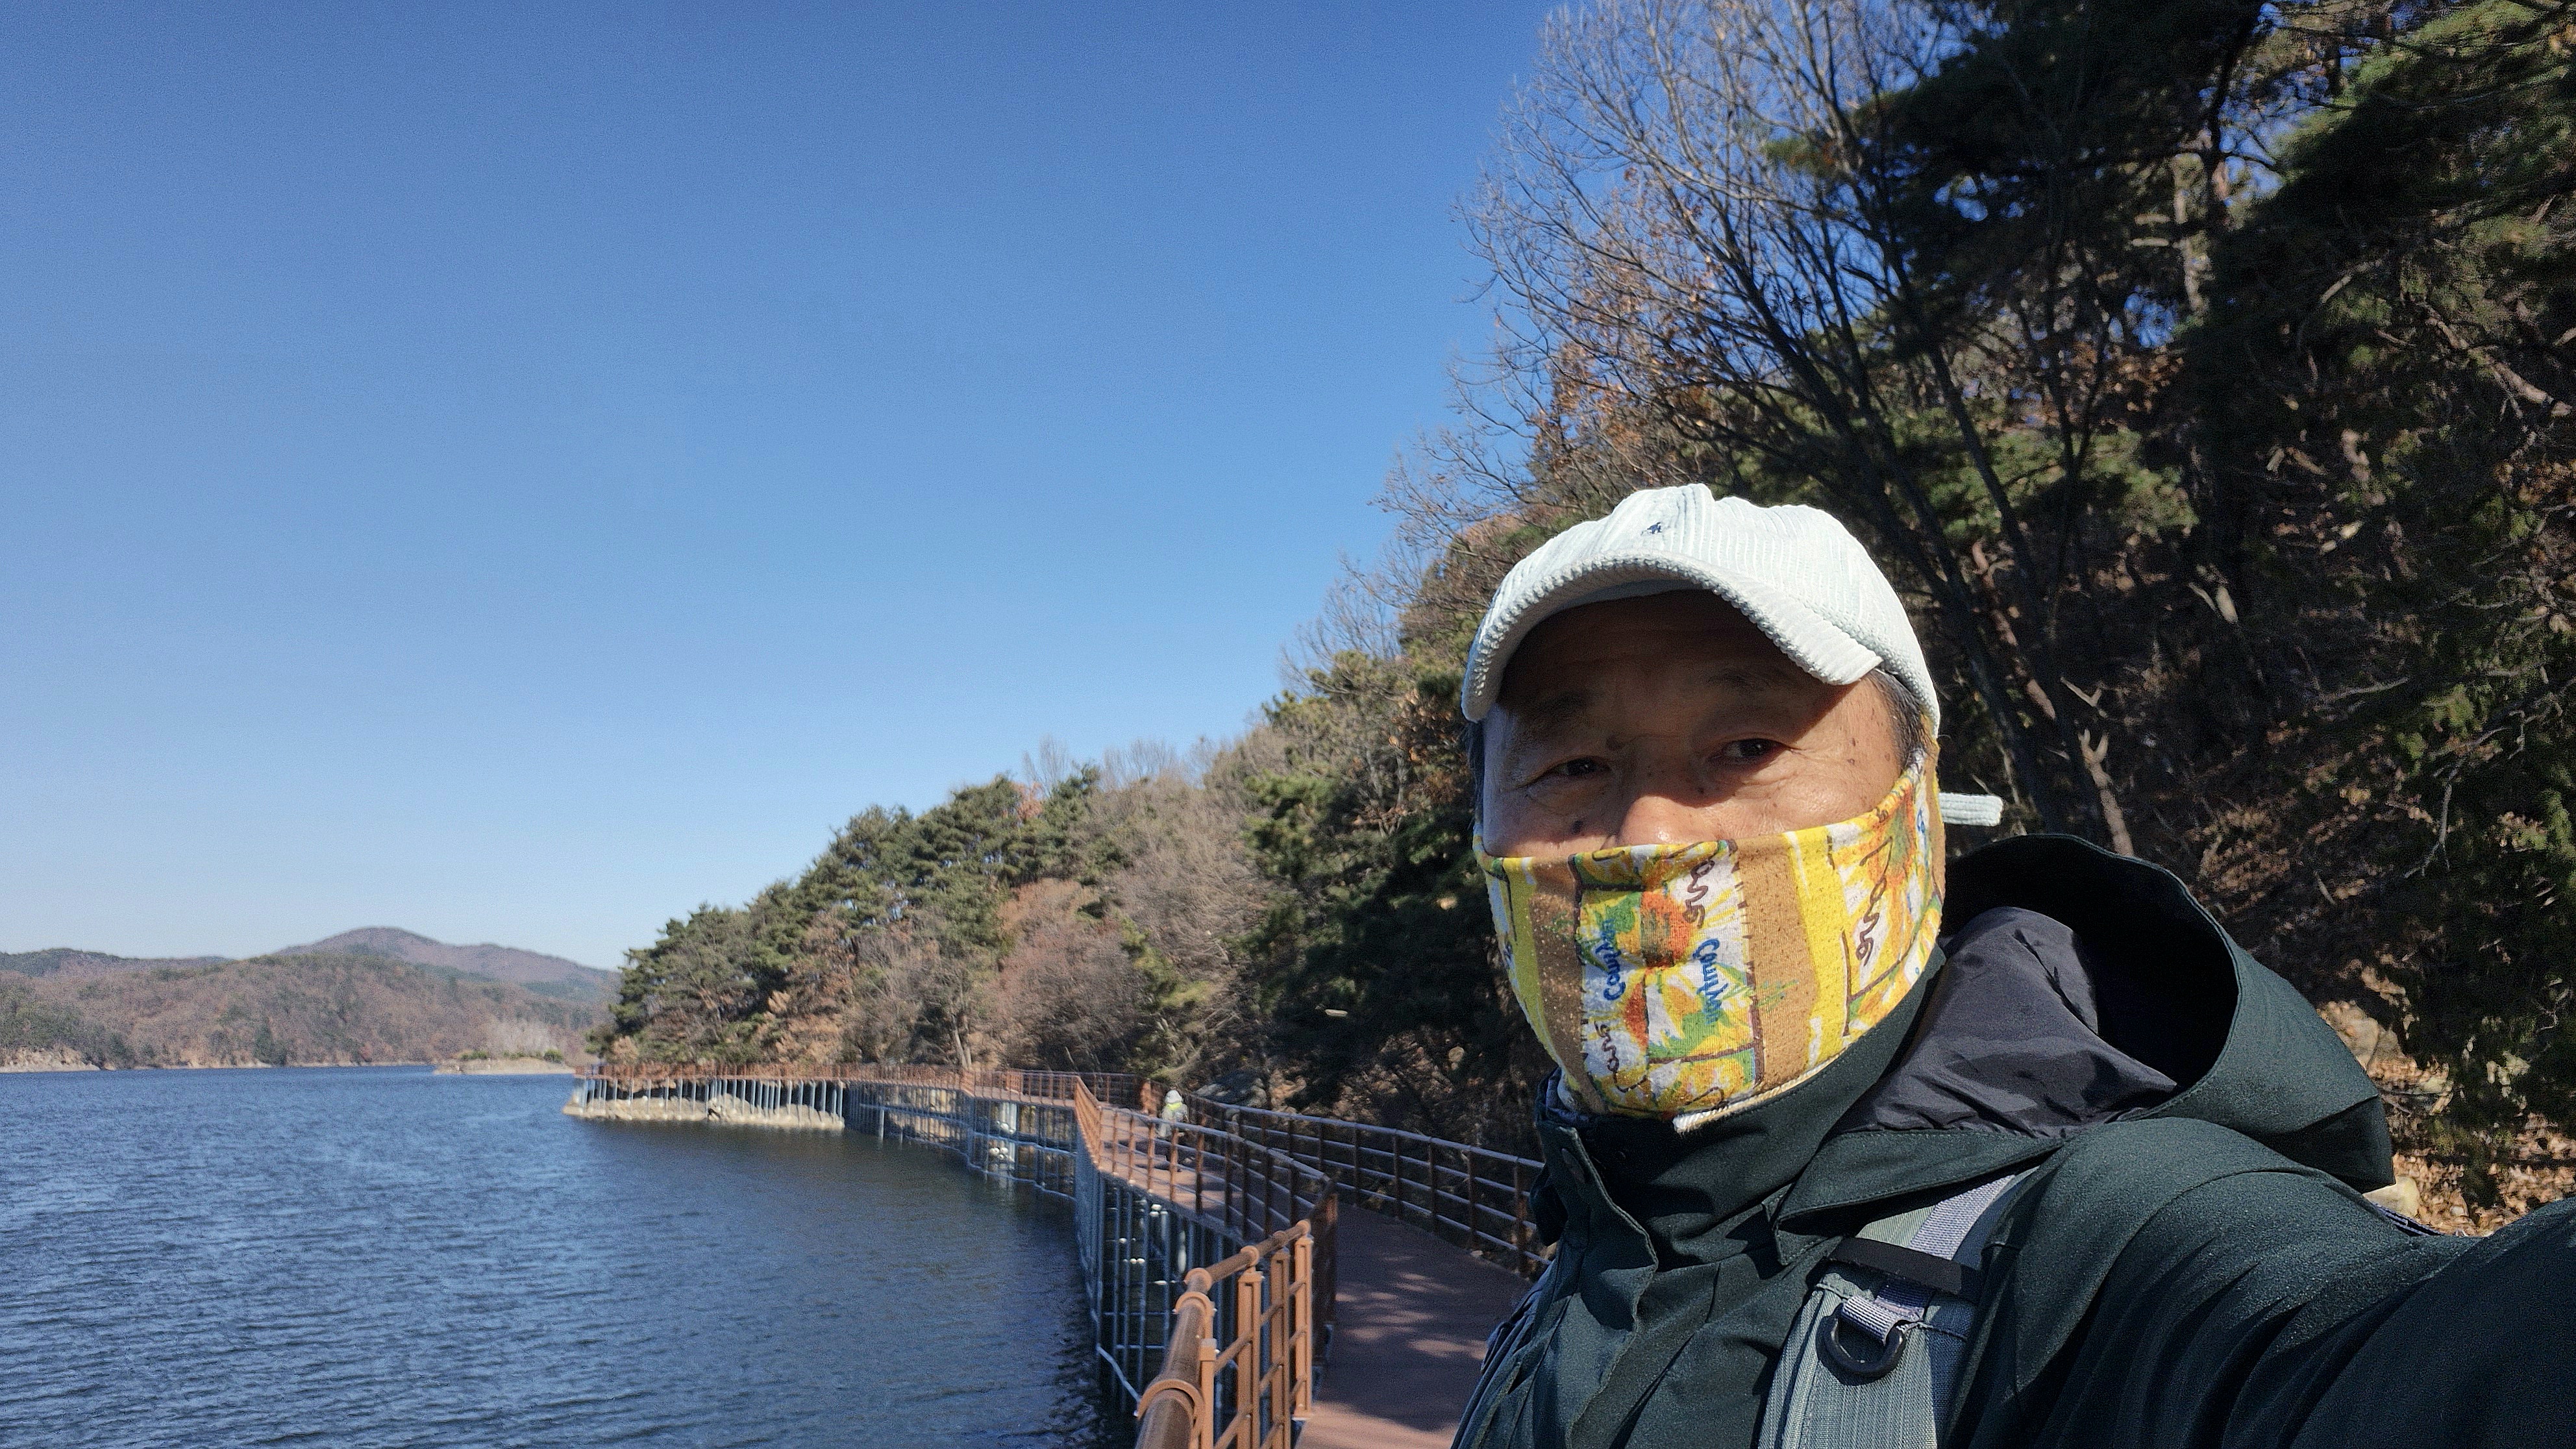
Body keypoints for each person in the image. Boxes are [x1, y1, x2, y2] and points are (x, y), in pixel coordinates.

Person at [1449, 485, 2576, 1449]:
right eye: (1571, 764)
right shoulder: (1585, 1253)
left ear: (1919, 803)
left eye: (1747, 746)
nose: (1648, 833)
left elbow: (2377, 1361)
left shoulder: (2104, 1239)